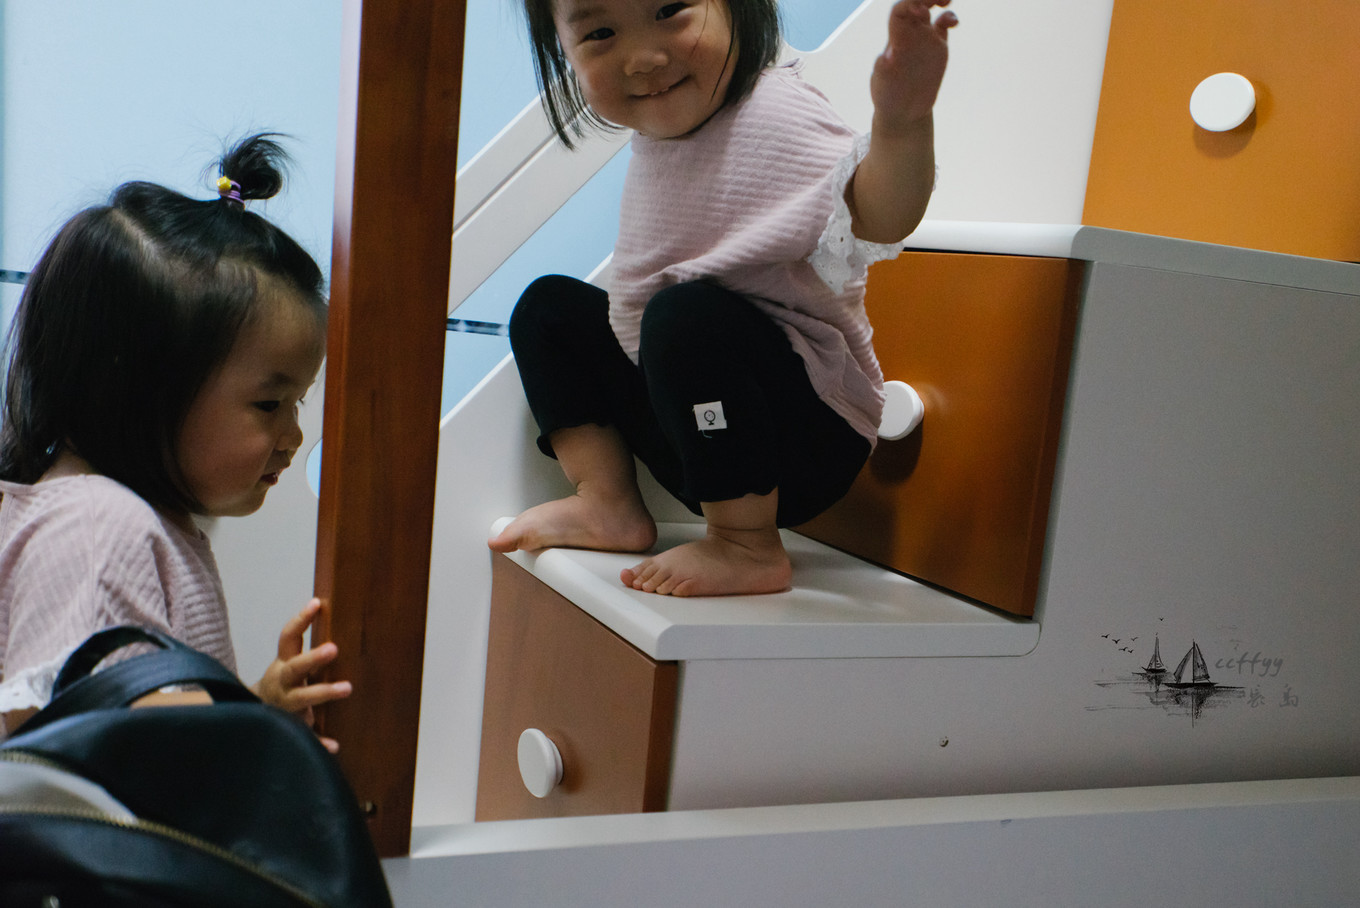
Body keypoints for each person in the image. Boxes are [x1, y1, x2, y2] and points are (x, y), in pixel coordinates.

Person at [489, 0, 957, 596]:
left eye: (670, 10)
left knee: (683, 314)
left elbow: (880, 217)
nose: (642, 58)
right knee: (548, 309)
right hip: (698, 432)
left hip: (807, 438)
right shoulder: (658, 143)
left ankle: (745, 544)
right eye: (601, 33)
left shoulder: (772, 112)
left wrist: (902, 123)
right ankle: (606, 500)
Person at [0, 134, 352, 748]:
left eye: (297, 403)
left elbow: (152, 715)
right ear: (138, 390)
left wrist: (257, 713)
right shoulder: (97, 527)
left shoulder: (138, 521)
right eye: (269, 405)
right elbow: (65, 727)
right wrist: (248, 737)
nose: (294, 436)